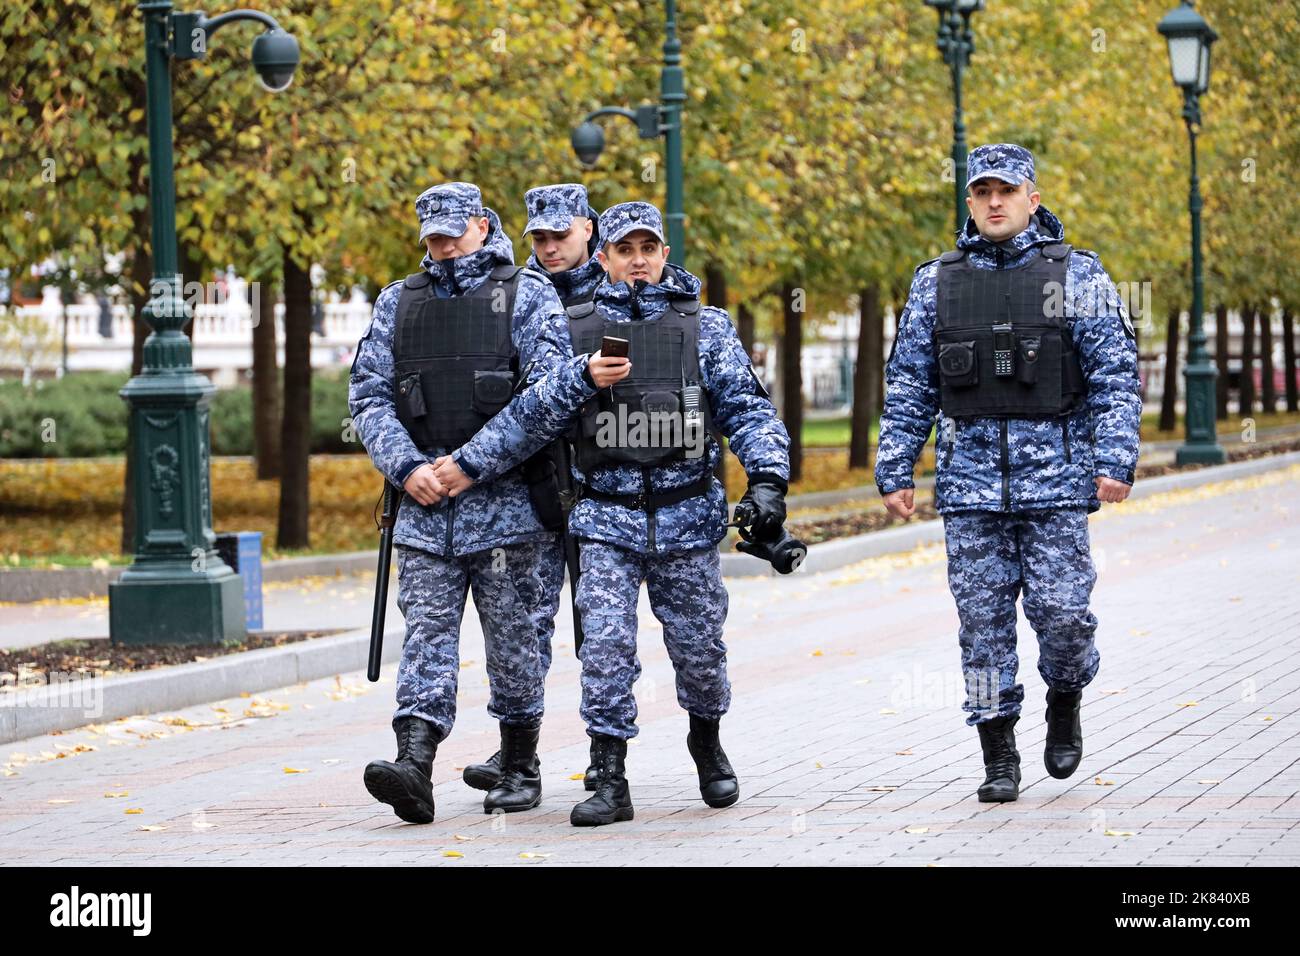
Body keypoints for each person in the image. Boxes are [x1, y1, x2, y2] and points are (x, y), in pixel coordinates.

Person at [431, 201, 791, 827]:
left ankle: (706, 743)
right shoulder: (573, 330)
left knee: (701, 652)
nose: (638, 261)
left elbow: (747, 408)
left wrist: (767, 481)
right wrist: (576, 382)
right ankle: (609, 773)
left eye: (648, 249)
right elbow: (533, 414)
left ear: (664, 254)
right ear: (604, 258)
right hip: (604, 519)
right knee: (603, 650)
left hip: (687, 518)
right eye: (626, 251)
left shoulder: (703, 327)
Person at [348, 181, 628, 824]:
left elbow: (548, 400)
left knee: (515, 643)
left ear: (482, 224)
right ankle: (414, 763)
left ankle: (520, 761)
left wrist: (470, 467)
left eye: (454, 233)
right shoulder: (397, 303)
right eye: (433, 238)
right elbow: (368, 398)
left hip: (508, 510)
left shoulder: (526, 296)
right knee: (425, 636)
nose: (444, 247)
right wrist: (407, 467)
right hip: (423, 512)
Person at [874, 144, 1141, 803]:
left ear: (1033, 198)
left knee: (1065, 614)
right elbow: (911, 384)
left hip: (1057, 484)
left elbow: (1115, 378)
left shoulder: (1076, 275)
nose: (994, 201)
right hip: (969, 491)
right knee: (982, 623)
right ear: (969, 201)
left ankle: (1066, 695)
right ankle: (997, 753)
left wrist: (1115, 458)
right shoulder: (936, 281)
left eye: (1007, 190)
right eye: (982, 191)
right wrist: (895, 466)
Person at [459, 182, 607, 796]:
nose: (548, 247)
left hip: (607, 482)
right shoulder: (512, 295)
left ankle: (606, 758)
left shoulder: (623, 292)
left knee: (602, 629)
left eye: (560, 236)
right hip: (538, 482)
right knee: (526, 621)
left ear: (588, 230)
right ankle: (519, 754)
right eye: (538, 238)